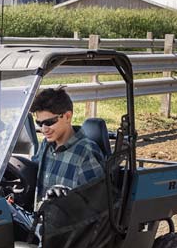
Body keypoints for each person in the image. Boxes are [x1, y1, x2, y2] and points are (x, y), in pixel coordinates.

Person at [9, 86, 106, 239]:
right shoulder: (47, 145)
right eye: (39, 123)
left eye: (49, 122)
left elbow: (97, 205)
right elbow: (32, 171)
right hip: (40, 224)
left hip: (66, 235)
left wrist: (67, 197)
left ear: (67, 116)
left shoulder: (86, 152)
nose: (44, 129)